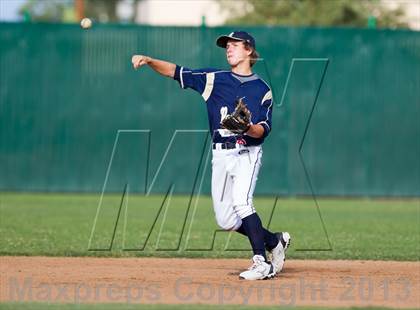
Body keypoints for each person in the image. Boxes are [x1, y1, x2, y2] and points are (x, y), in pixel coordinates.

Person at [132, 31, 291, 280]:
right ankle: (274, 240)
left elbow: (263, 131)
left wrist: (247, 127)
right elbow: (177, 71)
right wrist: (150, 60)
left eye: (234, 45)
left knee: (242, 202)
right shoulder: (213, 79)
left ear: (249, 50)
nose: (228, 49)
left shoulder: (262, 90)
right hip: (220, 154)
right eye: (226, 46)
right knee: (226, 219)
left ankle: (261, 262)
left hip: (247, 153)